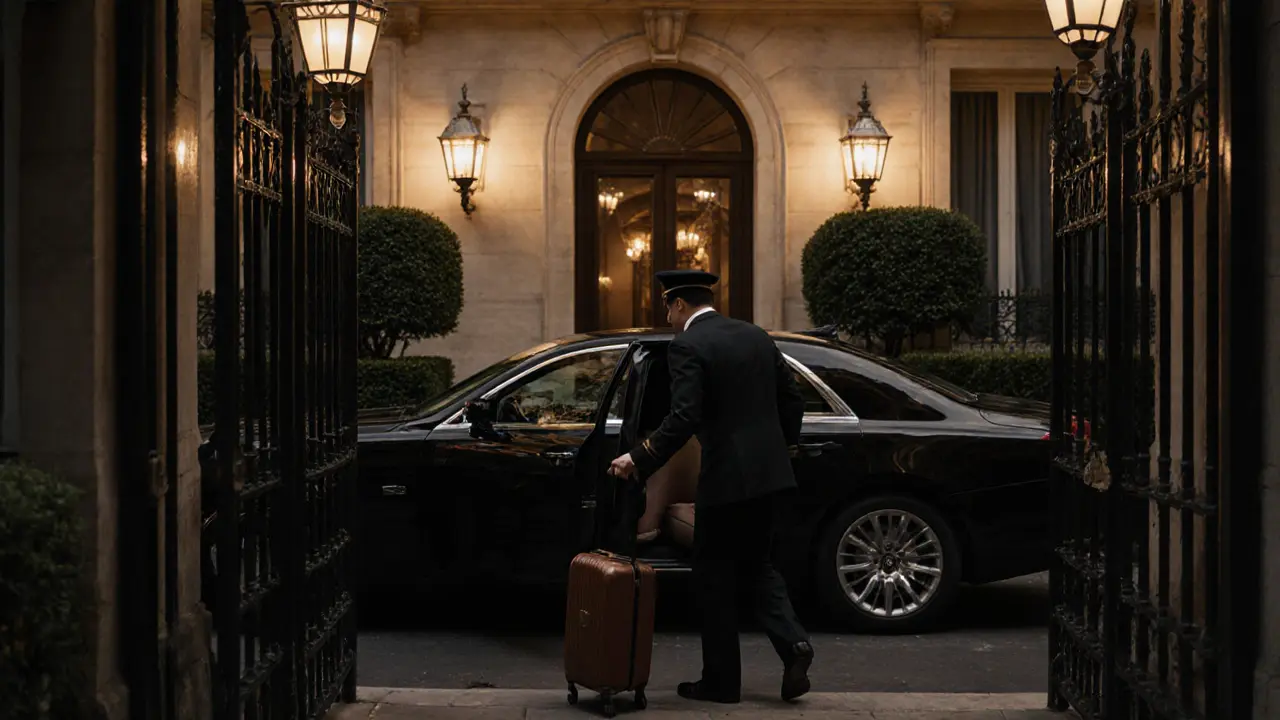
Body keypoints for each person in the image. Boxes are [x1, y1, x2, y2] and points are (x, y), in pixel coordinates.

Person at [608, 269, 814, 705]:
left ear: (680, 304)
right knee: (758, 566)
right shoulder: (755, 335)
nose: (667, 316)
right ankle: (795, 644)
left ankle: (721, 684)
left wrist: (638, 457)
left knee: (714, 577)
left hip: (726, 481)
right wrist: (779, 448)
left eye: (667, 307)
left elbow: (683, 417)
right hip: (770, 476)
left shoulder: (688, 345)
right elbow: (792, 400)